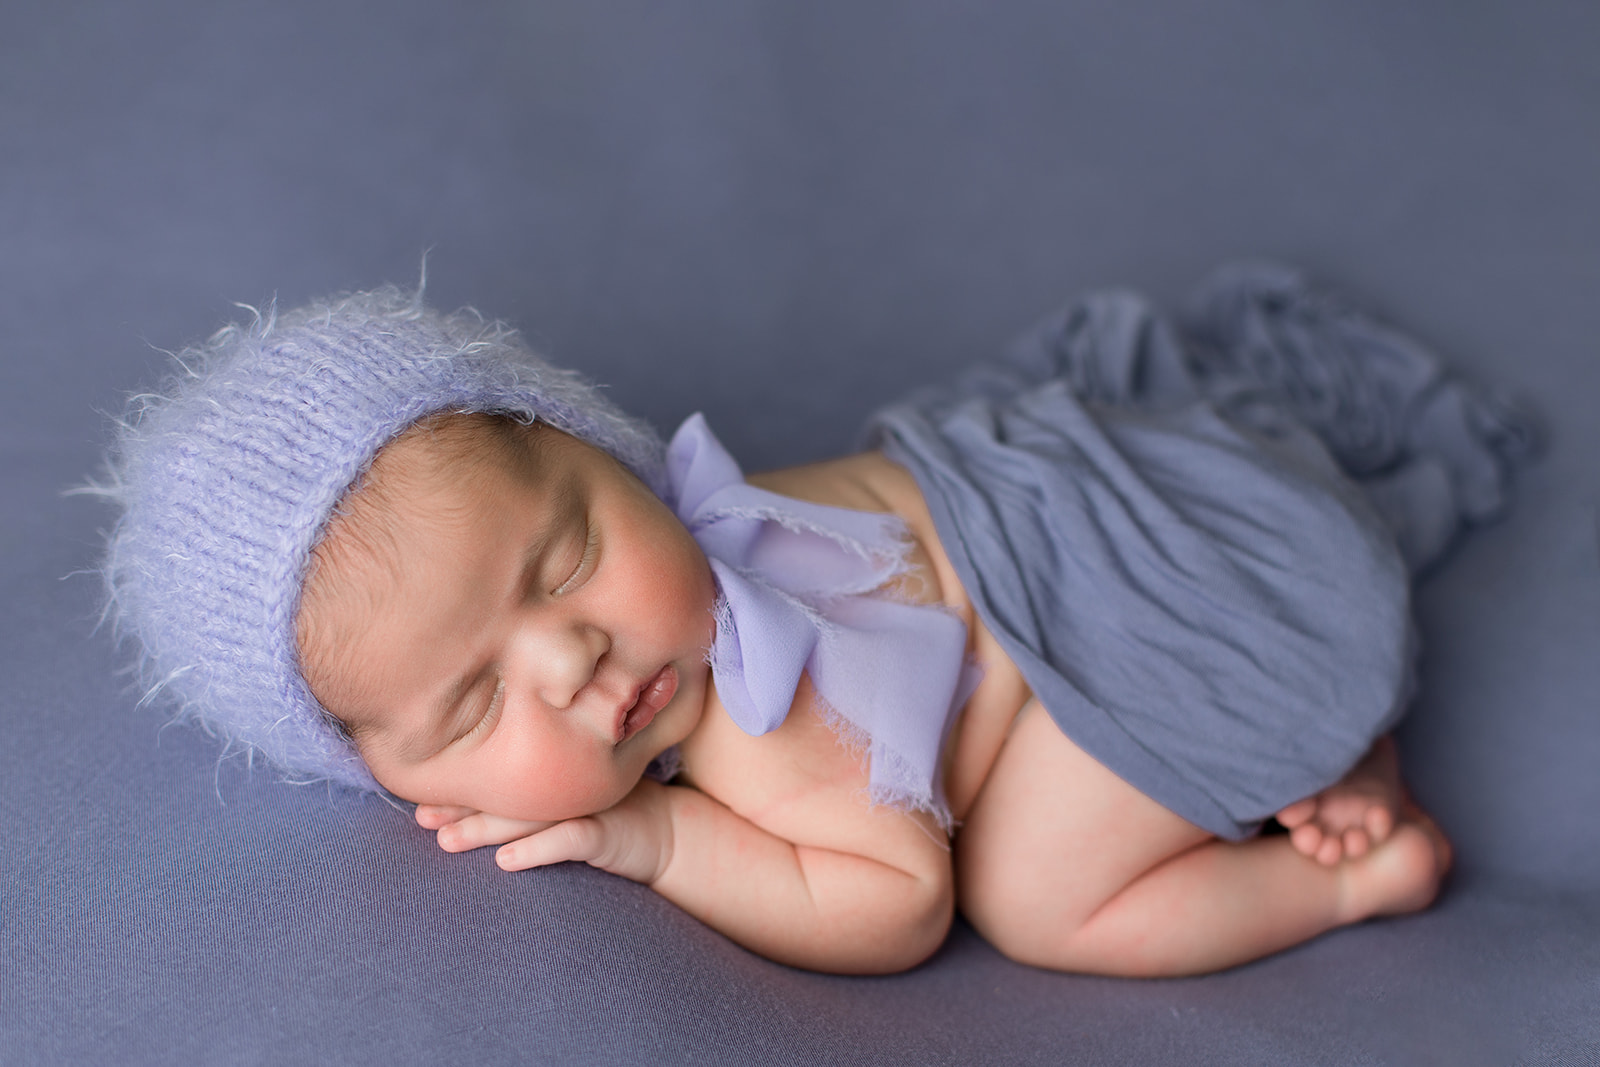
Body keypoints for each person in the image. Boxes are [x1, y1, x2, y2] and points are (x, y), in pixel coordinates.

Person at [95, 265, 1530, 976]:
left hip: (1142, 605)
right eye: (474, 708)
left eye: (571, 555)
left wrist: (657, 836)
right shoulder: (713, 532)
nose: (573, 659)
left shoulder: (764, 727)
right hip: (1088, 505)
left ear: (604, 449)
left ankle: (1342, 866)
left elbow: (896, 906)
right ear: (399, 782)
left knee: (1035, 900)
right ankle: (1310, 749)